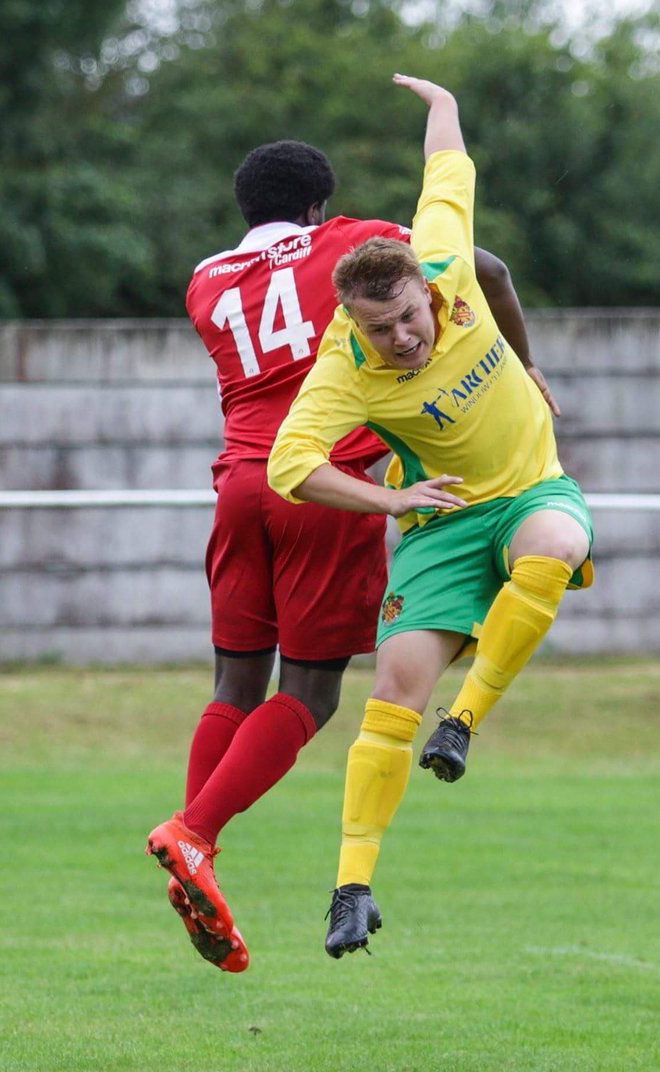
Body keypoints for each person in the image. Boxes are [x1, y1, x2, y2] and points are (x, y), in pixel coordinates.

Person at [146, 130, 557, 974]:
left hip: (237, 485)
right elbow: (479, 270)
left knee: (233, 682)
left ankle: (196, 851)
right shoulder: (347, 247)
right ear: (316, 206)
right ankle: (193, 835)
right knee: (311, 694)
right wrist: (521, 362)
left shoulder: (205, 282)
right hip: (320, 488)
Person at [267, 74, 594, 960]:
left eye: (409, 317)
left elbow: (447, 170)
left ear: (423, 284)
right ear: (353, 323)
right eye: (382, 330)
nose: (403, 337)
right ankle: (350, 891)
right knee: (390, 696)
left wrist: (441, 98)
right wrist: (390, 498)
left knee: (557, 545)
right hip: (440, 526)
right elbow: (289, 465)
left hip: (530, 492)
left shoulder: (446, 261)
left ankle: (467, 724)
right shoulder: (343, 368)